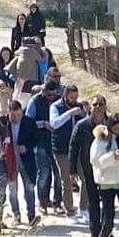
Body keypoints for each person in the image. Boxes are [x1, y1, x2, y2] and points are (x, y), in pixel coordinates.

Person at [69, 96, 108, 237]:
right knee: (93, 201)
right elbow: (73, 148)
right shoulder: (82, 125)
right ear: (90, 107)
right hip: (89, 169)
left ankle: (106, 231)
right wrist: (72, 171)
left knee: (107, 202)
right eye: (95, 104)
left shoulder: (111, 124)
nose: (98, 106)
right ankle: (94, 231)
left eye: (101, 104)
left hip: (108, 171)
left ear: (105, 107)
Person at [26, 81, 62, 216]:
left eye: (53, 94)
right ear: (43, 91)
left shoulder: (59, 101)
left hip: (56, 140)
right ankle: (42, 202)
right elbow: (28, 122)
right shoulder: (35, 102)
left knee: (58, 172)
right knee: (44, 172)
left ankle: (57, 202)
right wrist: (43, 124)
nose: (51, 97)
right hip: (40, 140)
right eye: (48, 94)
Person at [4, 100, 42, 227]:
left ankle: (31, 215)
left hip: (26, 160)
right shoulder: (2, 122)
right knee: (12, 190)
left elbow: (36, 138)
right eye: (13, 116)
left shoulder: (29, 122)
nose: (16, 118)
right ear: (8, 113)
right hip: (10, 161)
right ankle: (16, 215)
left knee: (29, 188)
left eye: (19, 115)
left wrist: (27, 147)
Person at [49, 84, 83, 218]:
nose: (74, 100)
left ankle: (85, 208)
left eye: (76, 97)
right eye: (71, 97)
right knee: (67, 180)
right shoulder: (55, 107)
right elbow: (54, 123)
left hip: (77, 148)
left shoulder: (79, 106)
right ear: (65, 96)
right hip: (61, 149)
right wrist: (69, 113)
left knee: (84, 178)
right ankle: (69, 210)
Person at [13, 36, 44, 101]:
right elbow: (41, 59)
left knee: (18, 84)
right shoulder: (33, 51)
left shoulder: (21, 49)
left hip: (20, 70)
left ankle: (15, 96)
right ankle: (16, 97)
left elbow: (15, 53)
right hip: (29, 72)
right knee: (22, 84)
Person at [0, 47, 15, 112]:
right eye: (4, 54)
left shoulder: (14, 63)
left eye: (7, 54)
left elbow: (16, 76)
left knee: (13, 107)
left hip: (11, 88)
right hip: (1, 88)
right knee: (4, 109)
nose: (5, 56)